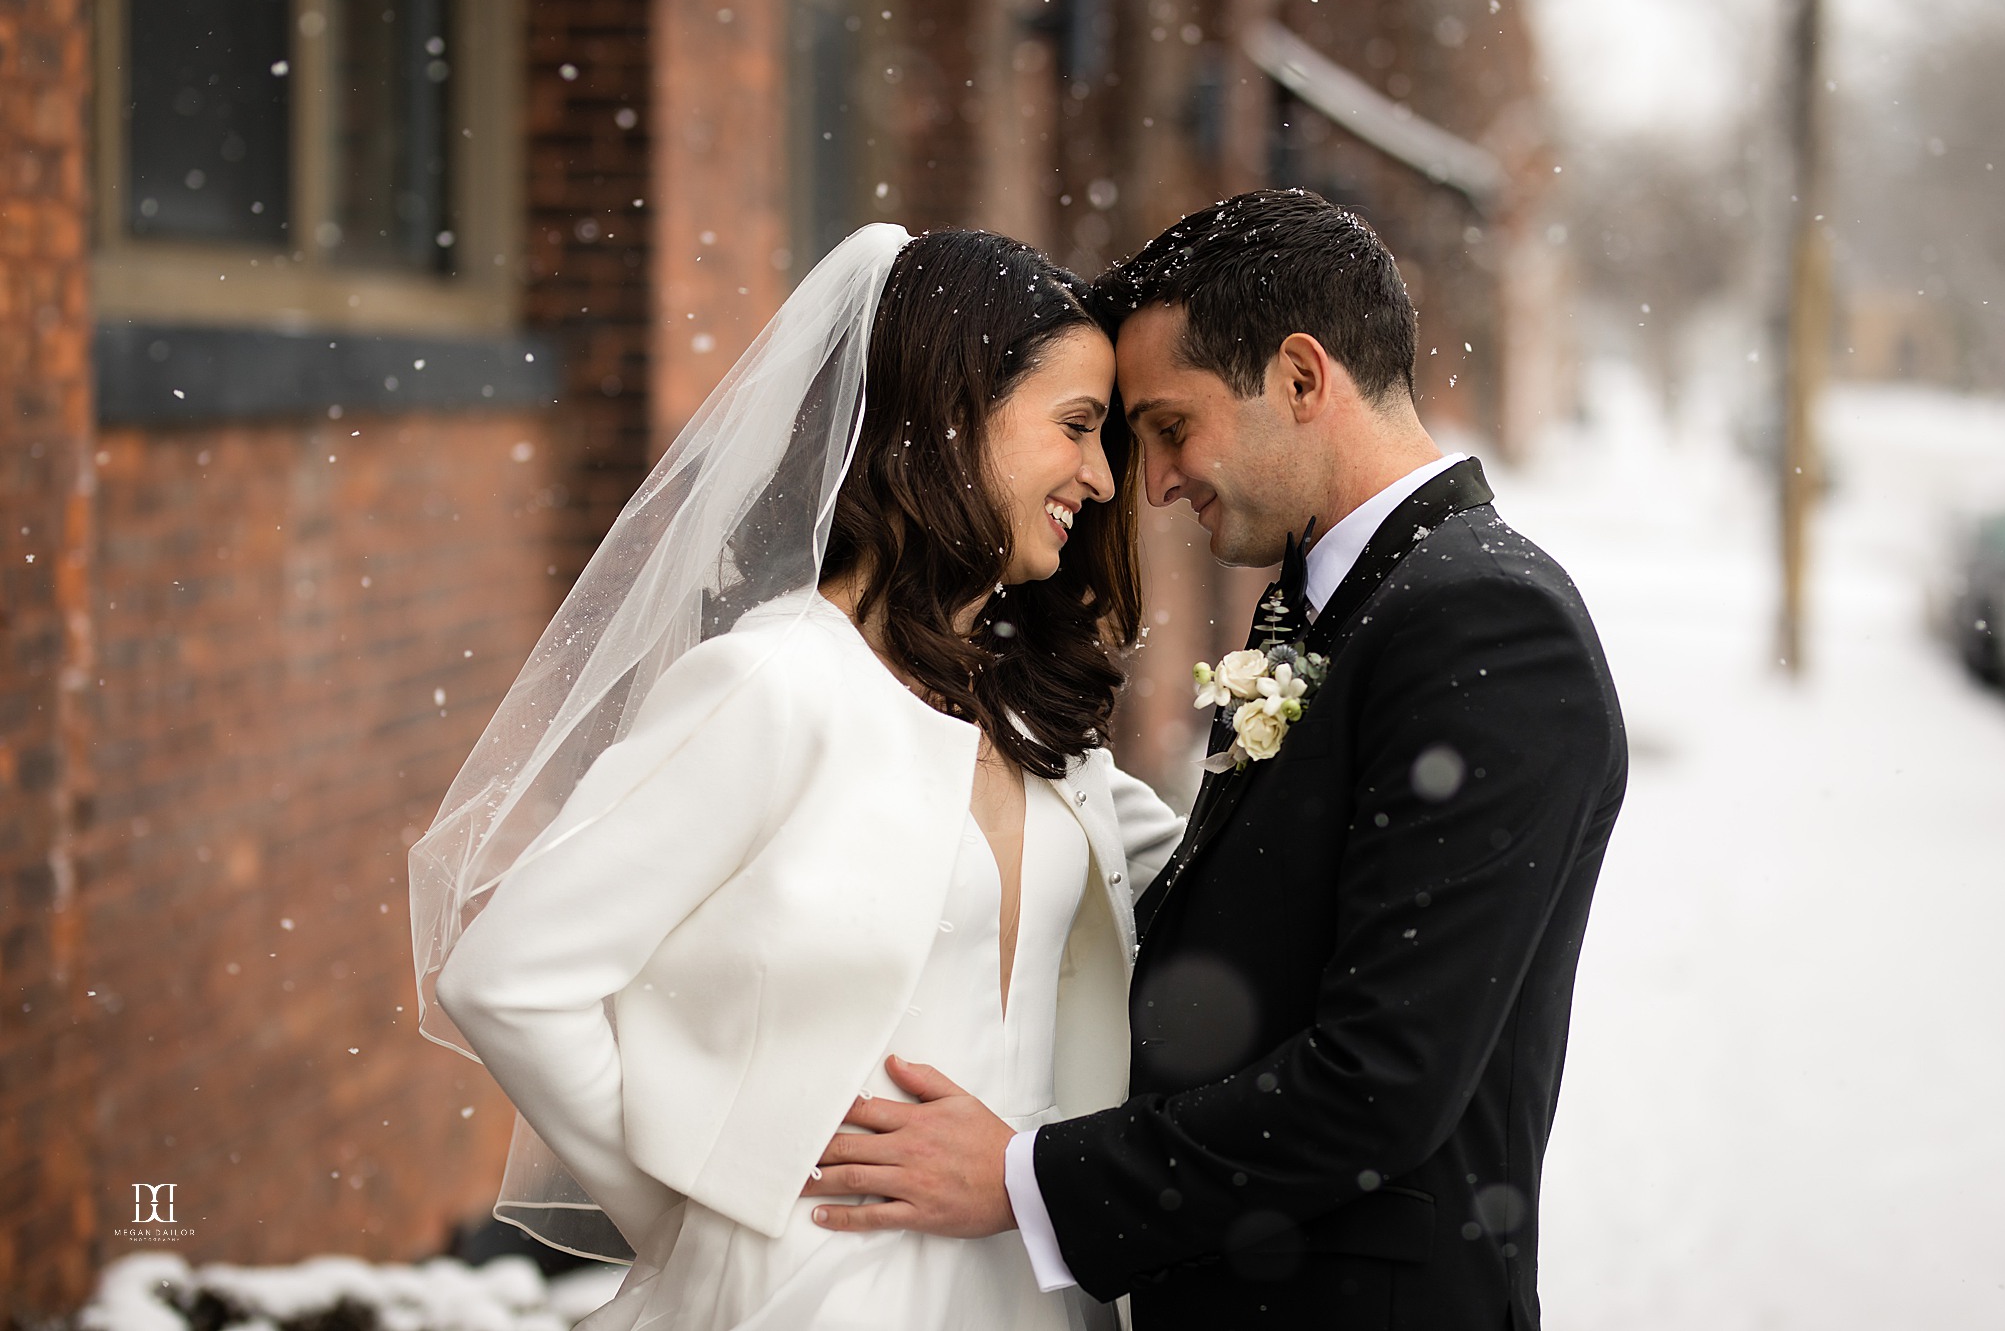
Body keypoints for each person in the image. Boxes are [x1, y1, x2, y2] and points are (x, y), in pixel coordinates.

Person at [803, 189, 1629, 1330]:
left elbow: (1380, 1078)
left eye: (1167, 426)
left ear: (1300, 377)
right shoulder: (1332, 602)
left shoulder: (1486, 624)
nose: (1147, 484)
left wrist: (1020, 1176)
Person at [409, 223, 1186, 1331]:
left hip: (1034, 1283)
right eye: (1074, 428)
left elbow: (1215, 872)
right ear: (954, 417)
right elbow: (509, 976)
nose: (1102, 478)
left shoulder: (1024, 708)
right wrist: (706, 1217)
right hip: (819, 1292)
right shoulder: (772, 683)